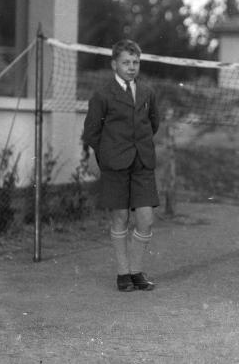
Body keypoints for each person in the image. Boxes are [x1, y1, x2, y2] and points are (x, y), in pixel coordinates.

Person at [82, 39, 160, 292]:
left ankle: (137, 271)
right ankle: (123, 273)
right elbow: (92, 132)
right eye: (126, 62)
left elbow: (153, 124)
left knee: (146, 219)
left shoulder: (147, 93)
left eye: (135, 62)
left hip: (142, 163)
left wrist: (140, 146)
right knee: (120, 217)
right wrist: (106, 157)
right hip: (115, 165)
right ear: (114, 64)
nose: (131, 67)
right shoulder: (102, 95)